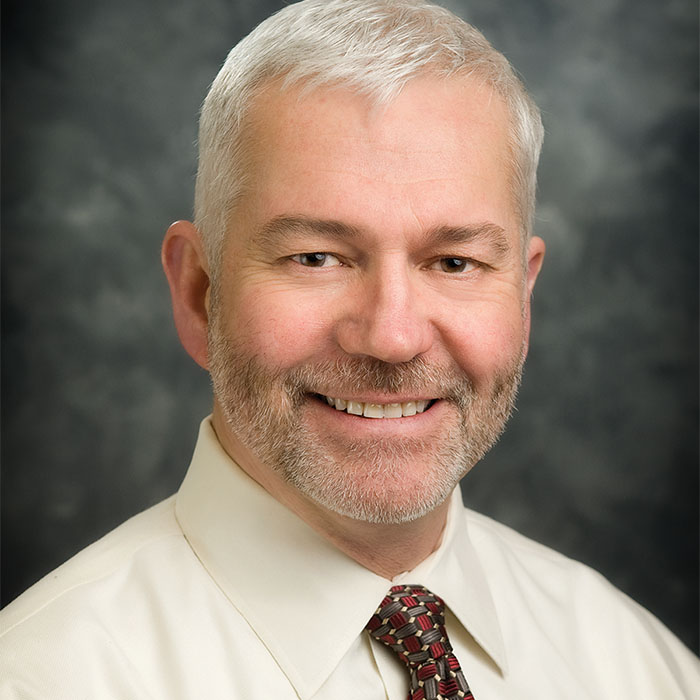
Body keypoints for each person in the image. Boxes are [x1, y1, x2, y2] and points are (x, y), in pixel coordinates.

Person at [1, 0, 698, 697]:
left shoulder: (635, 665)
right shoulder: (48, 674)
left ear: (522, 294)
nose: (393, 338)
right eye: (316, 258)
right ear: (197, 293)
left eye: (454, 262)